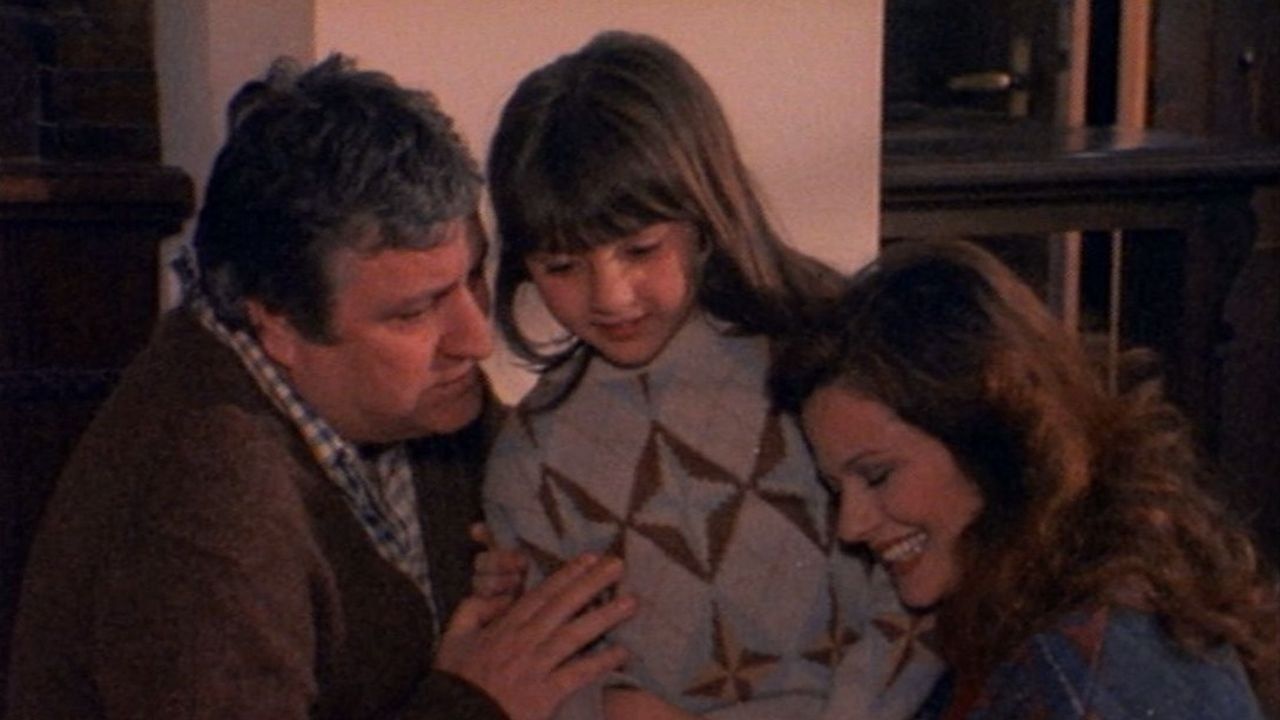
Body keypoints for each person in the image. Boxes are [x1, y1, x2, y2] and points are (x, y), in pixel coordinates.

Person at [7, 55, 637, 720]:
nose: (475, 338)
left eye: (473, 277)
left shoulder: (424, 398)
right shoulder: (202, 506)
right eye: (414, 312)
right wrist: (476, 703)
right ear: (278, 323)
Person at [481, 31, 939, 720]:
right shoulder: (532, 460)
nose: (610, 296)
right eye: (561, 266)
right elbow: (556, 678)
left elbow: (924, 586)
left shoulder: (832, 357)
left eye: (641, 249)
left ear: (704, 213)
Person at [770, 238, 1280, 720]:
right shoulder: (1050, 606)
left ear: (995, 437)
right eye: (837, 490)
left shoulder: (1077, 669)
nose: (852, 525)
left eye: (878, 476)